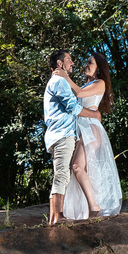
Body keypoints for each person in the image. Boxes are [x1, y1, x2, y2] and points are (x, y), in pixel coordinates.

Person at [60, 52, 123, 220]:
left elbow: (79, 94)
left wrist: (64, 75)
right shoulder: (86, 85)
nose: (86, 66)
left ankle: (94, 206)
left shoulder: (99, 83)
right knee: (81, 169)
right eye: (87, 63)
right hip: (82, 130)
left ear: (99, 68)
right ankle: (91, 208)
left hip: (91, 129)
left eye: (90, 63)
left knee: (77, 167)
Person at [43, 50, 101, 225]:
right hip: (62, 134)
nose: (73, 63)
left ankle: (55, 217)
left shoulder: (60, 81)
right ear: (60, 64)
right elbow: (73, 108)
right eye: (69, 60)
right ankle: (57, 217)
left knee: (61, 174)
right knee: (61, 175)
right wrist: (94, 114)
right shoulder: (59, 81)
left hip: (59, 134)